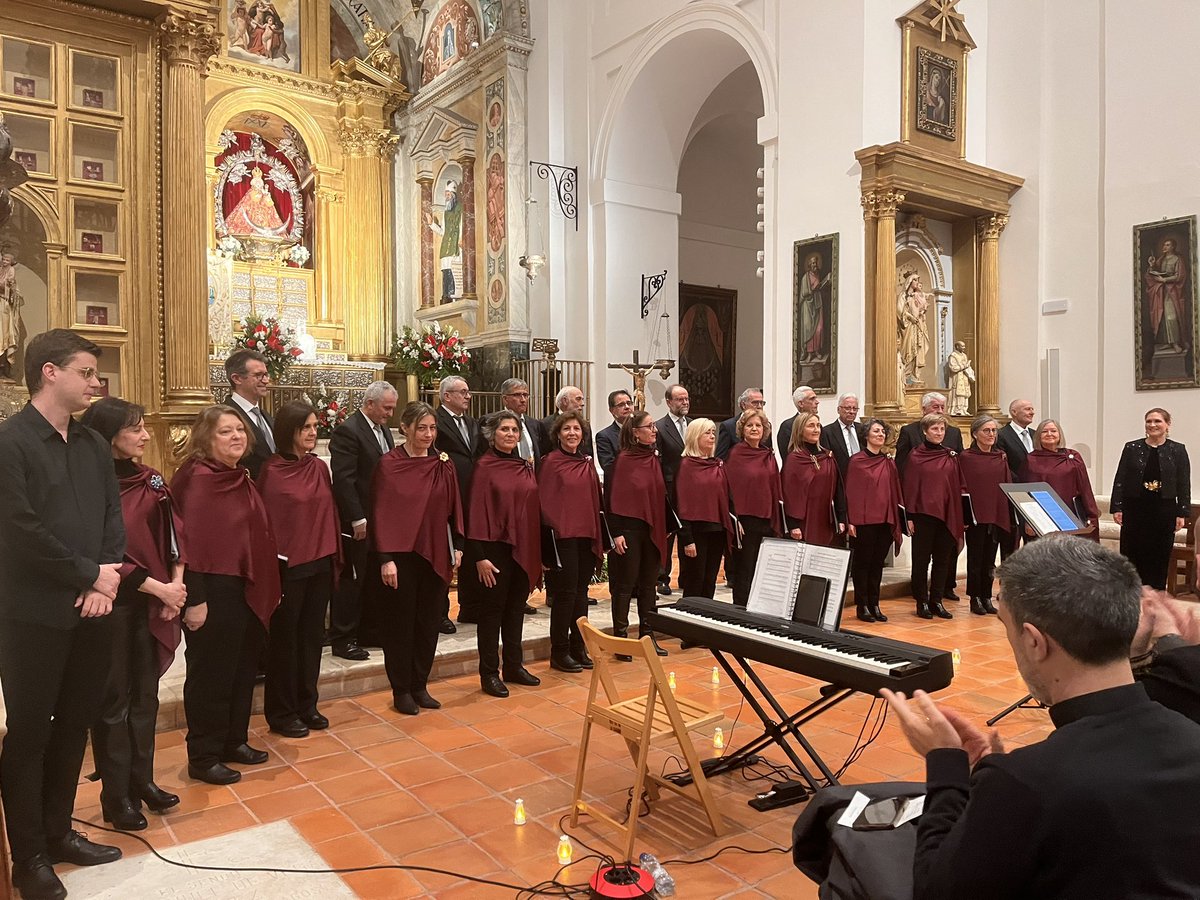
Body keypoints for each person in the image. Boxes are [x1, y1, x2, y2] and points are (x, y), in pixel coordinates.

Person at [882, 537, 1200, 899]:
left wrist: (946, 766)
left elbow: (935, 889)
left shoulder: (1025, 783)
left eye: (1007, 627)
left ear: (1034, 641)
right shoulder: (1191, 736)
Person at [0, 330, 126, 899]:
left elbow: (110, 513)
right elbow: (18, 530)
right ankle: (27, 857)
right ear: (50, 373)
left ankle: (58, 834)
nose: (95, 383)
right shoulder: (10, 442)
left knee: (75, 724)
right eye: (86, 372)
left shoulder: (93, 444)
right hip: (33, 613)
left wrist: (105, 575)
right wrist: (86, 574)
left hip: (93, 608)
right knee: (28, 734)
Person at [81, 398, 185, 833]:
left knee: (145, 696)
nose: (145, 435)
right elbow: (104, 550)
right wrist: (158, 586)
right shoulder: (89, 484)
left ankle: (143, 781)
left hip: (155, 599)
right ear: (109, 437)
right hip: (112, 603)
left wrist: (176, 586)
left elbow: (176, 532)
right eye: (136, 429)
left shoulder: (153, 479)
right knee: (113, 703)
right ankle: (115, 796)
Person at [172, 406, 280, 786]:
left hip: (243, 587)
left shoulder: (237, 476)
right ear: (206, 438)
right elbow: (188, 545)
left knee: (242, 670)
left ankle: (234, 740)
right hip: (212, 591)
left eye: (239, 430)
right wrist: (195, 600)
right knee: (211, 675)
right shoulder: (198, 479)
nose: (236, 436)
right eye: (225, 432)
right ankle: (203, 755)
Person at [372, 402, 464, 714]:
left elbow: (454, 509)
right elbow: (380, 513)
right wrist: (385, 557)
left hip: (435, 552)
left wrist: (459, 546)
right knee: (401, 625)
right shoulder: (389, 464)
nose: (428, 434)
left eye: (432, 428)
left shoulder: (443, 463)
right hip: (400, 556)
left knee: (427, 623)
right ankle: (401, 690)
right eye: (421, 428)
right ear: (406, 429)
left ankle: (420, 685)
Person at [257, 401, 340, 737]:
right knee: (285, 642)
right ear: (289, 431)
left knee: (311, 639)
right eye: (305, 427)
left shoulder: (319, 467)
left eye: (315, 426)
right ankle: (282, 711)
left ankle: (308, 703)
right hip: (288, 569)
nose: (312, 432)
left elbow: (328, 513)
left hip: (319, 562)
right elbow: (268, 524)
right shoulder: (272, 471)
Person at [464, 411, 542, 697]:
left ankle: (513, 665)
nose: (510, 434)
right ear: (492, 435)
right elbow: (473, 513)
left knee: (515, 609)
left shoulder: (524, 466)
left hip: (522, 547)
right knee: (492, 613)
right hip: (493, 551)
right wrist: (480, 556)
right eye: (504, 430)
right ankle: (488, 673)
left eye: (514, 430)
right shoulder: (483, 467)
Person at [329, 381, 397, 660]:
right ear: (370, 404)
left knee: (371, 576)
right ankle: (343, 638)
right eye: (386, 408)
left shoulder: (383, 431)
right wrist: (356, 517)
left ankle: (369, 630)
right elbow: (344, 479)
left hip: (379, 516)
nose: (390, 414)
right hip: (357, 520)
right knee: (352, 578)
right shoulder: (349, 431)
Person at [539, 411, 604, 673]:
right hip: (562, 537)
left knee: (581, 594)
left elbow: (594, 501)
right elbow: (544, 503)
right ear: (558, 434)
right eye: (567, 429)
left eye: (576, 429)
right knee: (565, 596)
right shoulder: (550, 463)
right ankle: (559, 651)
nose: (572, 433)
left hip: (585, 535)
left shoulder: (587, 462)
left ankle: (579, 646)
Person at [605, 410, 670, 658]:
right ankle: (621, 640)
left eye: (654, 426)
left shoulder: (653, 459)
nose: (654, 430)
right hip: (628, 531)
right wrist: (617, 533)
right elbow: (611, 500)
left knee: (648, 585)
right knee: (624, 585)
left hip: (651, 530)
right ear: (635, 433)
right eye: (649, 426)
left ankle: (647, 636)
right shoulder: (622, 462)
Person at [1111, 407, 1191, 589]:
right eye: (1149, 421)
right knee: (1132, 553)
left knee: (1159, 554)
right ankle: (1130, 594)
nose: (1152, 425)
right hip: (1135, 509)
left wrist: (1182, 512)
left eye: (1157, 421)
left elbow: (1183, 483)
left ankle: (1156, 596)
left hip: (1164, 510)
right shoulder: (1131, 447)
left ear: (1167, 424)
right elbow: (1120, 478)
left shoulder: (1178, 450)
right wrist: (1117, 507)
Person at [902, 413, 966, 619]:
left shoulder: (951, 456)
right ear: (925, 431)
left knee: (943, 560)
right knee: (921, 560)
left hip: (948, 514)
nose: (939, 433)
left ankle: (936, 601)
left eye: (942, 429)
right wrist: (909, 517)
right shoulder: (916, 456)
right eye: (935, 429)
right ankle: (921, 602)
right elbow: (910, 487)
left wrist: (960, 515)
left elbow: (958, 486)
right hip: (923, 514)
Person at [845, 419, 903, 623]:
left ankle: (875, 604)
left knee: (877, 564)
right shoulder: (856, 461)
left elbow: (895, 491)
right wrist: (850, 520)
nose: (880, 435)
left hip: (884, 520)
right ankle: (863, 606)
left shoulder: (888, 461)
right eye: (876, 431)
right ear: (866, 436)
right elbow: (850, 492)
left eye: (882, 432)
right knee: (863, 565)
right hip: (863, 521)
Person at [725, 408, 782, 608]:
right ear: (742, 429)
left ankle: (758, 607)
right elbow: (730, 489)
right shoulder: (736, 454)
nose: (754, 429)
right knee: (745, 568)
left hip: (766, 517)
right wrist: (736, 519)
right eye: (750, 425)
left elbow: (776, 487)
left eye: (758, 425)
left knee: (761, 567)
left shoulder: (768, 455)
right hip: (745, 520)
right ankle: (741, 607)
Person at [676, 418, 738, 599]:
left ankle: (705, 621)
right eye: (707, 433)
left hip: (717, 530)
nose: (712, 437)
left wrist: (734, 519)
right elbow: (682, 503)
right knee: (695, 581)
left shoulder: (717, 463)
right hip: (697, 532)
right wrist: (687, 539)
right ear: (695, 436)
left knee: (710, 580)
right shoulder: (687, 465)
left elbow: (727, 495)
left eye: (713, 432)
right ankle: (690, 621)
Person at [434, 376, 478, 624]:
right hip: (448, 495)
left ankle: (469, 606)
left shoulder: (471, 423)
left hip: (472, 495)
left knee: (471, 552)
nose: (468, 396)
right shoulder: (436, 422)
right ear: (447, 396)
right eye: (463, 392)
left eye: (468, 391)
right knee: (446, 553)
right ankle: (441, 613)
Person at [960, 415, 1011, 615]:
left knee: (990, 559)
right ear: (975, 434)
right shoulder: (966, 458)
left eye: (993, 431)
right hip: (975, 516)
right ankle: (974, 598)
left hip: (996, 514)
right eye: (986, 431)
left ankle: (986, 597)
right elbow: (962, 487)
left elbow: (1006, 485)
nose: (991, 434)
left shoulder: (1000, 457)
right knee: (975, 559)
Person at [1020, 419, 1100, 541]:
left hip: (1070, 516)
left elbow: (1085, 488)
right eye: (1044, 431)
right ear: (1038, 436)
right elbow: (1025, 493)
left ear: (1059, 434)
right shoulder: (1031, 460)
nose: (1049, 434)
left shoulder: (1073, 457)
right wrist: (1028, 520)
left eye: (1053, 431)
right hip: (1042, 518)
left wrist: (1091, 516)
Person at [781, 413, 845, 548]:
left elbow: (838, 489)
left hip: (826, 519)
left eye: (818, 425)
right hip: (805, 519)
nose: (816, 430)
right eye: (811, 426)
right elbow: (789, 495)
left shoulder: (827, 456)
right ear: (800, 430)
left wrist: (841, 517)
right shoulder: (794, 459)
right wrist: (793, 525)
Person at [655, 384, 691, 595]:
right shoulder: (660, 426)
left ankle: (686, 576)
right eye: (679, 399)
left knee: (689, 532)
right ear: (669, 402)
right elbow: (658, 462)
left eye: (686, 399)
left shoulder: (695, 425)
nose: (684, 402)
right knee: (668, 536)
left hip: (691, 489)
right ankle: (662, 578)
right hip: (669, 487)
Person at [223, 348, 275, 479]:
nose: (266, 380)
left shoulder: (265, 416)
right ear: (237, 378)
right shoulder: (223, 416)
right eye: (258, 375)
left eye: (266, 375)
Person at [994, 398, 1035, 560]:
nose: (1032, 412)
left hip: (1036, 497)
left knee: (1035, 546)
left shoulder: (1035, 434)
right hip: (1013, 496)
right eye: (1027, 409)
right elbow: (1003, 467)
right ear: (1013, 412)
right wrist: (1023, 485)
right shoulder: (1002, 435)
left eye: (1032, 409)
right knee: (1010, 546)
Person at [895, 391, 963, 473]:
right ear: (924, 409)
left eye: (942, 407)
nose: (940, 411)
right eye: (936, 407)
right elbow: (901, 464)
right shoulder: (909, 431)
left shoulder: (954, 432)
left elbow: (960, 462)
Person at [1146, 236, 1189, 352]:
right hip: (1161, 291)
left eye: (1168, 245)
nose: (1164, 247)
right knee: (1163, 316)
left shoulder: (1177, 259)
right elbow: (1154, 271)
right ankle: (1168, 342)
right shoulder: (1161, 259)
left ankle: (1176, 342)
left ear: (1173, 247)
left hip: (1173, 292)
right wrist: (1152, 265)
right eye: (1164, 245)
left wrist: (1165, 280)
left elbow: (1180, 275)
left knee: (1172, 317)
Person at [539, 385, 594, 458]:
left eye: (582, 399)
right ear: (565, 401)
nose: (582, 403)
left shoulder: (585, 425)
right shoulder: (545, 424)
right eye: (578, 399)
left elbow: (588, 453)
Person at [718, 387, 773, 460]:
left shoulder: (766, 425)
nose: (759, 406)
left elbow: (768, 453)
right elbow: (720, 459)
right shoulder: (728, 426)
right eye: (755, 403)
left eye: (762, 403)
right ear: (743, 405)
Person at [820, 392, 865, 478]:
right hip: (840, 479)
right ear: (838, 409)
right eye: (847, 408)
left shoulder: (862, 429)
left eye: (855, 409)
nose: (851, 412)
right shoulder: (827, 432)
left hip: (862, 477)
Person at [797, 253, 830, 363]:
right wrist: (813, 289)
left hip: (817, 303)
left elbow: (819, 287)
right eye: (813, 263)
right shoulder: (805, 278)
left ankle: (817, 351)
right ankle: (810, 353)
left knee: (819, 329)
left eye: (816, 262)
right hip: (807, 306)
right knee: (808, 329)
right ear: (809, 265)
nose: (815, 265)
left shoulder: (817, 275)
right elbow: (804, 293)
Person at [595, 389, 634, 478]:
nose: (627, 407)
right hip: (619, 485)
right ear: (612, 410)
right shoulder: (604, 436)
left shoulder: (642, 430)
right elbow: (608, 466)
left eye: (629, 403)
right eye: (621, 405)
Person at [776, 386, 818, 462]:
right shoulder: (787, 426)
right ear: (801, 403)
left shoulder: (819, 426)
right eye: (812, 399)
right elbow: (787, 457)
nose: (817, 402)